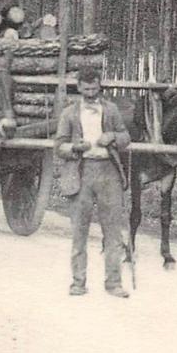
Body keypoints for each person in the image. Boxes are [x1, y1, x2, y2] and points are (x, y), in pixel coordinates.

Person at [55, 67, 132, 297]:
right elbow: (58, 145)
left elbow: (126, 137)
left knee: (113, 233)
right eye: (86, 88)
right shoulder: (69, 113)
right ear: (78, 87)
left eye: (94, 87)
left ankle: (114, 283)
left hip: (109, 173)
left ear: (100, 86)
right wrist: (74, 147)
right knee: (79, 232)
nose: (90, 91)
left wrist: (114, 137)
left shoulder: (111, 109)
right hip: (81, 173)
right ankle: (78, 282)